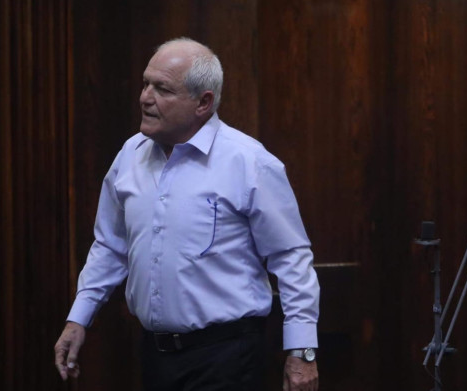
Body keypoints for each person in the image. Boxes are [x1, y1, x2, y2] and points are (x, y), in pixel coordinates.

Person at [54, 37, 320, 391]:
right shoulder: (130, 155)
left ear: (203, 102)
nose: (145, 97)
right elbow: (110, 246)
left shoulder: (248, 161)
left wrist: (302, 350)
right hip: (155, 355)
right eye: (145, 84)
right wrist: (78, 319)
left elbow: (291, 258)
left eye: (162, 89)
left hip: (226, 358)